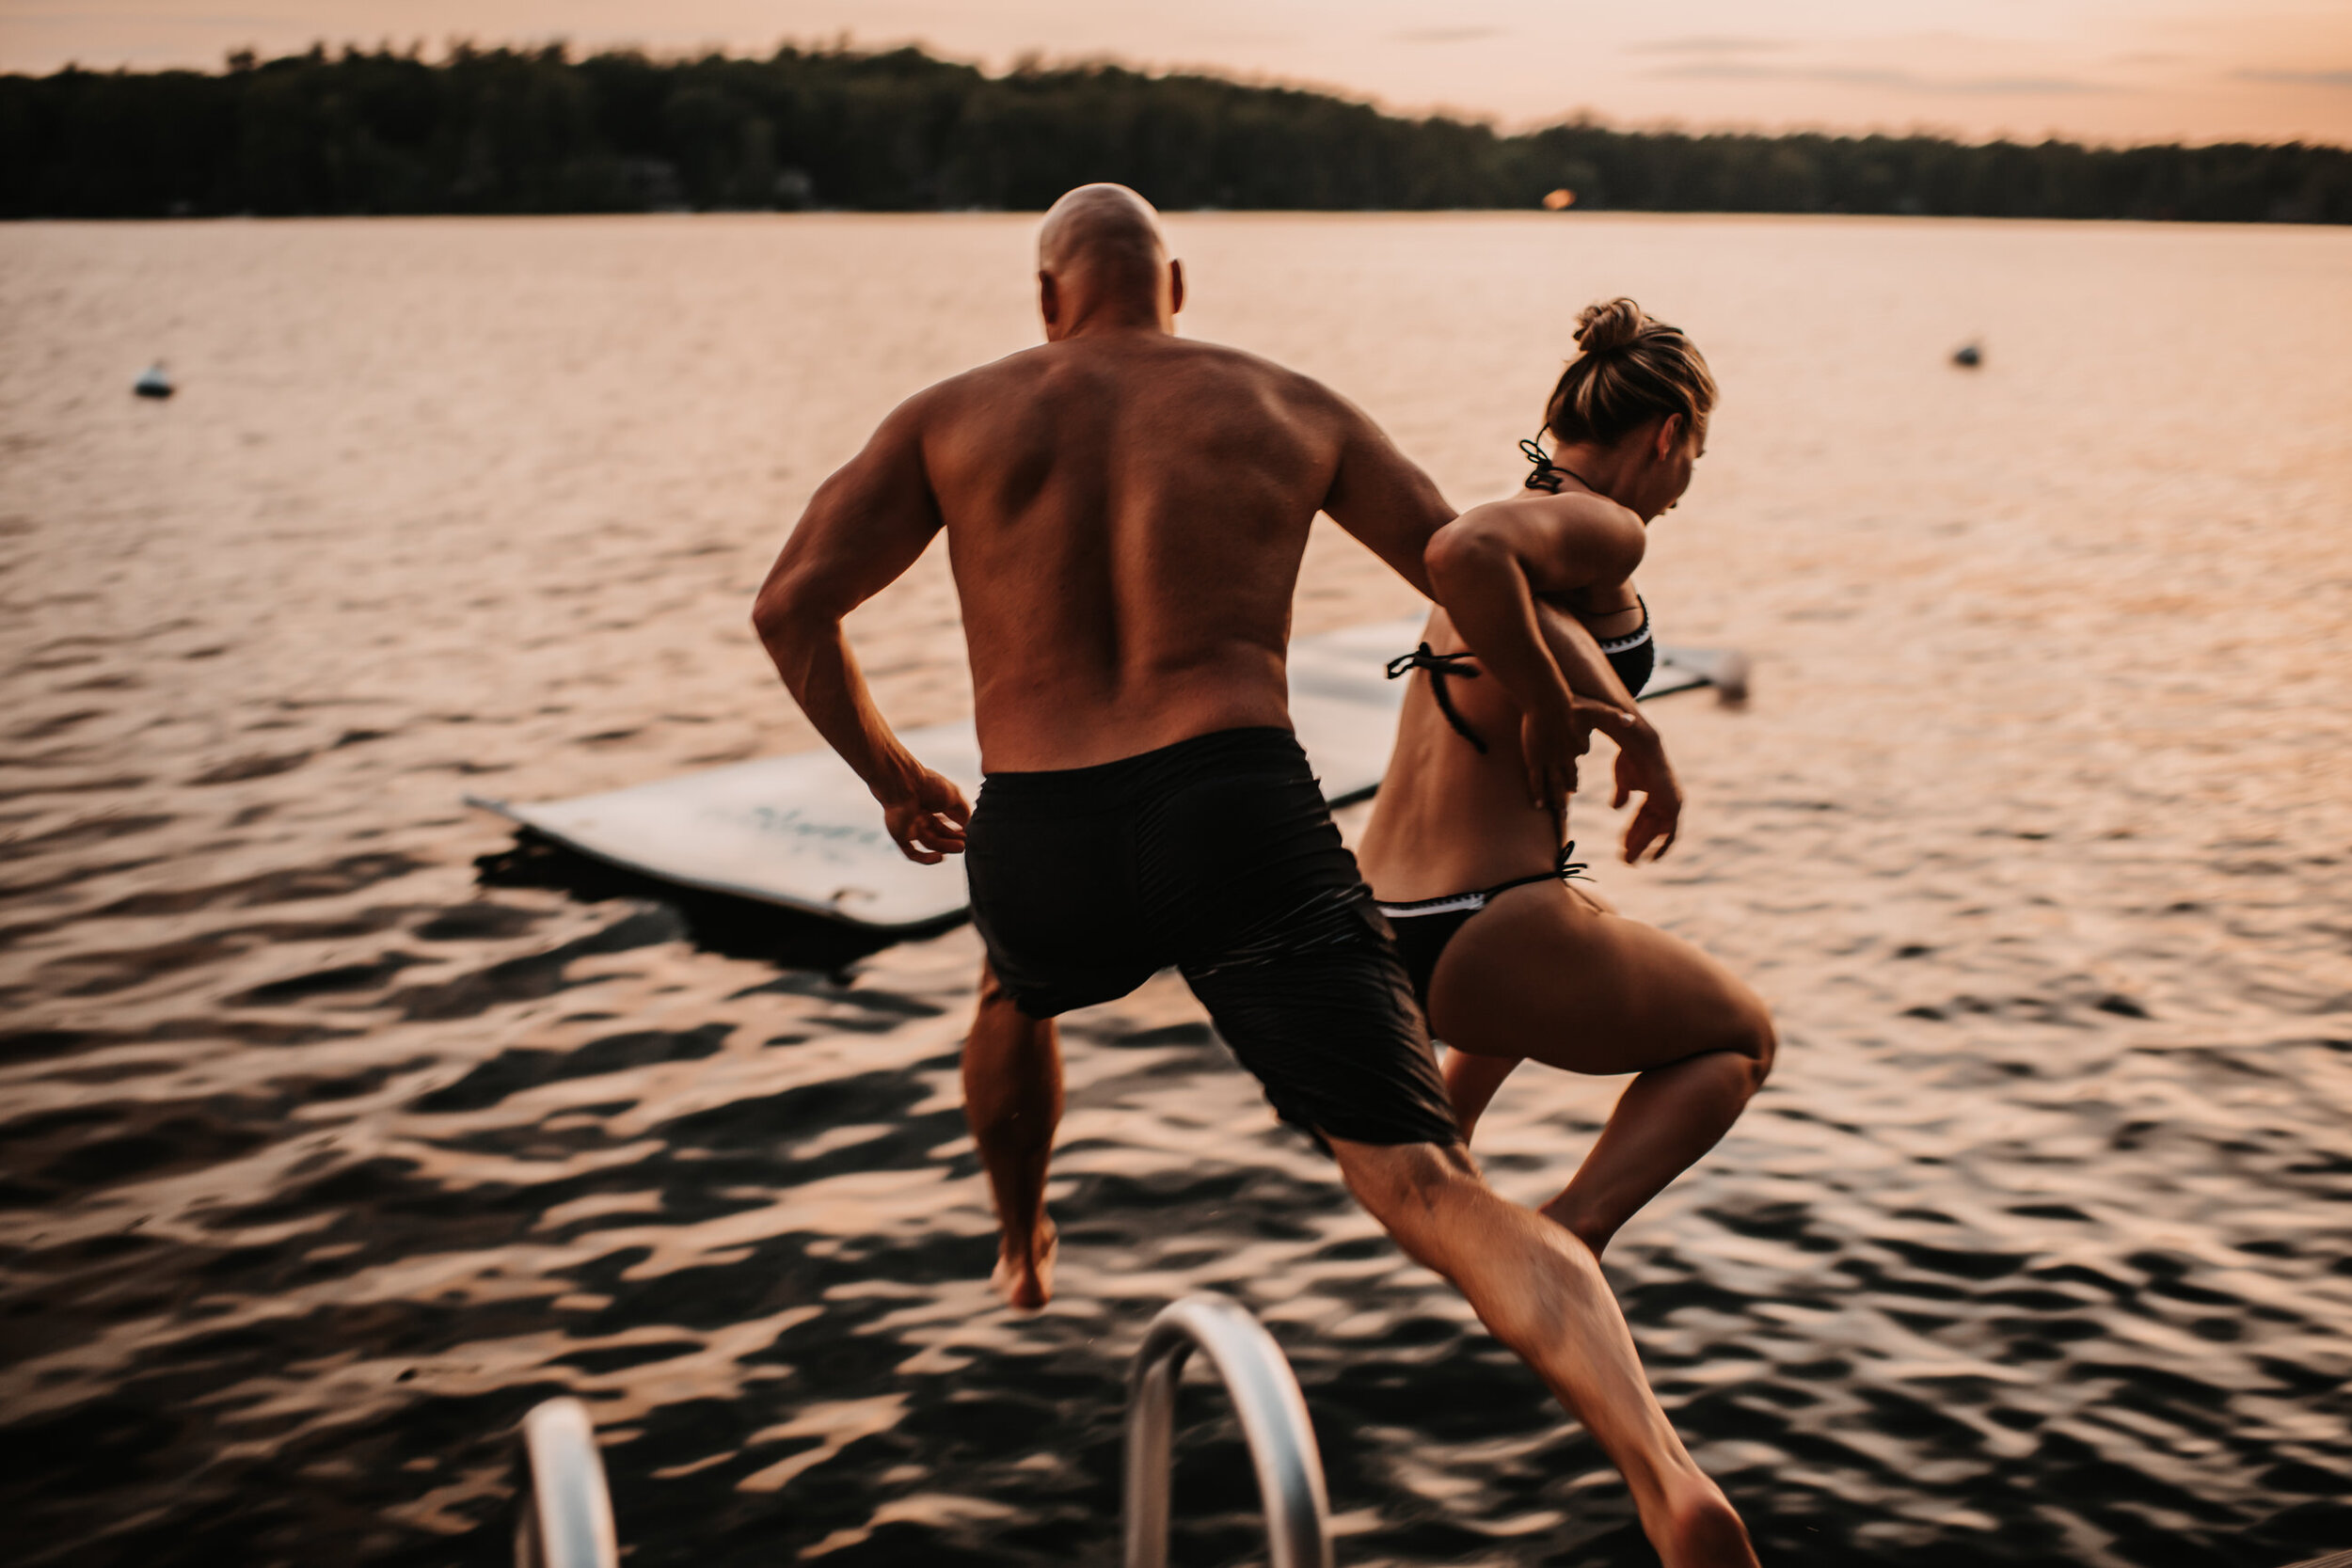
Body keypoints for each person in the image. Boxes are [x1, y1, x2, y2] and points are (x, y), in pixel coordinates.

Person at [753, 186, 1756, 1566]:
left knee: (1013, 988)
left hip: (1040, 815)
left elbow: (789, 602)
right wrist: (1599, 709)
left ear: (1049, 298)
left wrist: (889, 772)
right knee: (1424, 1184)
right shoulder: (1290, 405)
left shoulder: (951, 414)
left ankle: (1025, 1236)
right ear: (1179, 281)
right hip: (1235, 807)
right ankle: (1661, 1471)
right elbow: (1480, 572)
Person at [1354, 297, 1777, 1264]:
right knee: (1739, 1038)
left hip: (1386, 924)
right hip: (1484, 917)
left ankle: (1439, 1172)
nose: (1683, 487)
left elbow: (1474, 557)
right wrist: (1587, 716)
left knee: (1578, 921)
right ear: (1668, 434)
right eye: (1694, 460)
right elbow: (1453, 545)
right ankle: (1566, 1241)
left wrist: (1605, 716)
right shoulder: (1599, 528)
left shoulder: (1529, 532)